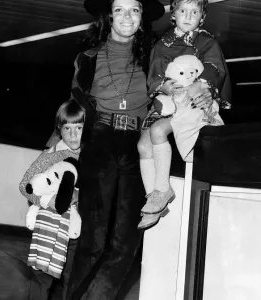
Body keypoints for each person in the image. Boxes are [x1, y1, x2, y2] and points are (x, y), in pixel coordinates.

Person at [63, 1, 166, 299]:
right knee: (92, 241)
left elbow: (180, 84)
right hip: (101, 140)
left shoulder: (155, 58)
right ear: (109, 15)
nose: (127, 16)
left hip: (139, 145)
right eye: (120, 9)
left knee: (126, 243)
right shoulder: (89, 57)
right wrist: (53, 151)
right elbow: (72, 107)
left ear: (142, 17)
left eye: (134, 10)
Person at [137, 0, 231, 229]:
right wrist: (164, 86)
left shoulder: (207, 42)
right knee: (142, 145)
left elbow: (215, 68)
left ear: (202, 16)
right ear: (173, 15)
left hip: (192, 103)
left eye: (194, 11)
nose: (188, 16)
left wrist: (202, 85)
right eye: (182, 10)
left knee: (158, 130)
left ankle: (162, 190)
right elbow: (155, 76)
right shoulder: (162, 44)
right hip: (168, 101)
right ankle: (154, 196)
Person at [19, 99, 85, 300]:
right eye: (68, 128)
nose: (74, 134)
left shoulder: (91, 155)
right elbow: (25, 186)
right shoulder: (51, 154)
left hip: (75, 229)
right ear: (59, 129)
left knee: (73, 278)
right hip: (49, 226)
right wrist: (48, 201)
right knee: (41, 277)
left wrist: (77, 198)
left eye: (79, 127)